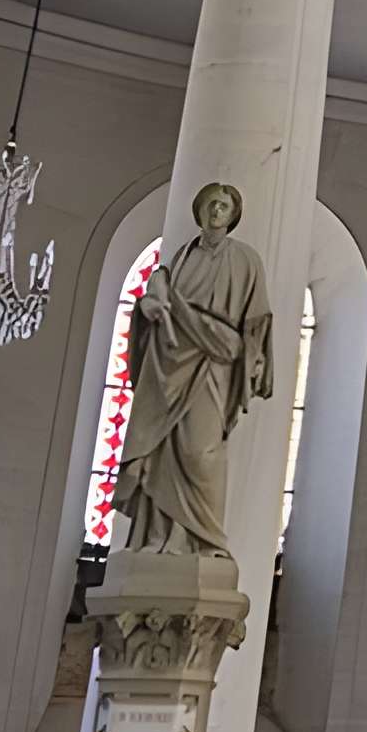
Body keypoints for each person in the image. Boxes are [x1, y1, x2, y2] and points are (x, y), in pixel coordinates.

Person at [116, 181, 273, 563]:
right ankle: (156, 538)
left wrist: (256, 358)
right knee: (161, 449)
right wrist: (149, 309)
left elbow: (256, 319)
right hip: (169, 358)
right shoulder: (179, 258)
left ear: (234, 215)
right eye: (211, 204)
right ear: (200, 211)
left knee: (201, 452)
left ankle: (205, 541)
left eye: (224, 205)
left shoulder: (245, 259)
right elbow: (157, 299)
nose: (217, 211)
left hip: (213, 362)